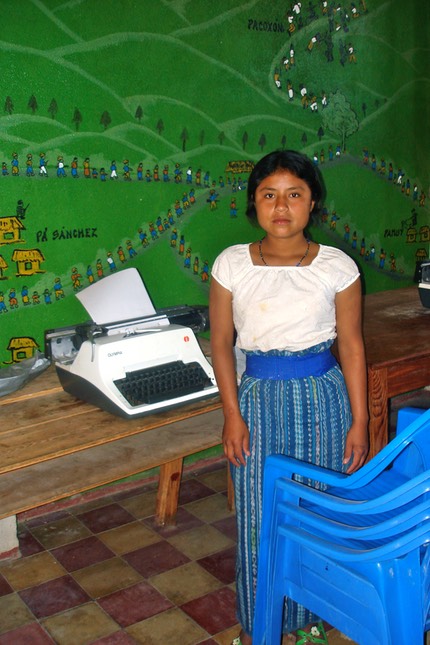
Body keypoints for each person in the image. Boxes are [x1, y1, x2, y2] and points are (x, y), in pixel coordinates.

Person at [209, 150, 368, 645]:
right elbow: (221, 344)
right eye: (269, 195)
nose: (281, 207)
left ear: (312, 201)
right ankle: (259, 625)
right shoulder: (231, 264)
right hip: (256, 402)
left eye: (294, 194)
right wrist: (231, 415)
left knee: (318, 511)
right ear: (254, 202)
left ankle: (310, 616)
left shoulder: (337, 266)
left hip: (323, 401)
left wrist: (360, 420)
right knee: (259, 515)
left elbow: (352, 346)